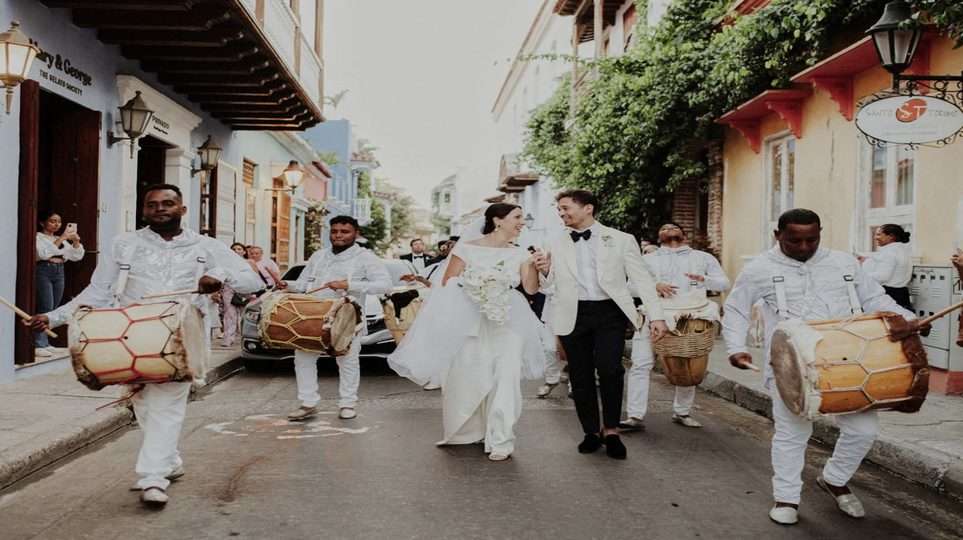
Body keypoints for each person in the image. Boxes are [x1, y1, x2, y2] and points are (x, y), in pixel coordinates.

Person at [28, 184, 261, 508]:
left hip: (182, 337)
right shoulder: (124, 244)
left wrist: (218, 275)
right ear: (144, 210)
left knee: (167, 404)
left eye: (168, 203)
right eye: (153, 205)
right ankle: (170, 460)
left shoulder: (205, 246)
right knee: (146, 406)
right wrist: (53, 317)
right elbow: (98, 292)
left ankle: (152, 477)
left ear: (182, 209)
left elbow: (253, 282)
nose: (160, 209)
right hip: (131, 339)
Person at [723, 208, 921, 526]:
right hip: (790, 366)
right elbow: (735, 310)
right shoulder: (759, 268)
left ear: (820, 234)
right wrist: (736, 348)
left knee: (863, 430)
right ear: (778, 235)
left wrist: (908, 319)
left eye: (811, 240)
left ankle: (834, 479)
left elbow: (874, 298)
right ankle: (786, 498)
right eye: (794, 241)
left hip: (850, 363)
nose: (803, 247)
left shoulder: (843, 262)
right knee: (792, 433)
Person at [389, 203, 545, 461]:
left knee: (507, 376)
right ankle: (472, 429)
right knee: (472, 374)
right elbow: (447, 284)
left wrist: (535, 267)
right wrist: (476, 289)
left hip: (509, 319)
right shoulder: (467, 248)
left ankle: (502, 438)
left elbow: (529, 290)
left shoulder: (521, 254)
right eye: (517, 217)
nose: (522, 222)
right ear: (498, 220)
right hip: (471, 320)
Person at [535, 189, 668, 460]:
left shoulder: (620, 239)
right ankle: (590, 432)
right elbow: (549, 287)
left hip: (610, 312)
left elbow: (642, 279)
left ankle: (611, 430)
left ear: (588, 208)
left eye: (565, 208)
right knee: (580, 376)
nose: (561, 214)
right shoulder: (555, 241)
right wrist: (545, 270)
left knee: (610, 370)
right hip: (573, 313)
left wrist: (657, 316)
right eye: (558, 210)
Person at [280, 215, 391, 422]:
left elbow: (385, 285)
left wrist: (349, 285)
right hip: (313, 316)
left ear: (356, 234)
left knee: (347, 362)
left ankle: (348, 404)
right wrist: (288, 286)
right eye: (334, 231)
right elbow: (305, 285)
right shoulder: (318, 256)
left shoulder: (365, 258)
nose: (338, 235)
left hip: (347, 318)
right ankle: (308, 403)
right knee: (303, 360)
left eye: (344, 231)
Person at [622, 222, 730, 431]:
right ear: (659, 236)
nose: (669, 228)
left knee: (687, 361)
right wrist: (654, 286)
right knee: (641, 363)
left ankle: (682, 412)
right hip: (653, 314)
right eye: (664, 227)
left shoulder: (703, 258)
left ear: (684, 234)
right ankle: (635, 416)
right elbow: (629, 287)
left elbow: (724, 283)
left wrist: (704, 279)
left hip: (688, 316)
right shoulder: (647, 259)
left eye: (673, 226)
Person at [34, 211, 85, 357]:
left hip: (59, 271)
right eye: (52, 221)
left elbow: (76, 256)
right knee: (45, 306)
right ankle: (39, 343)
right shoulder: (39, 237)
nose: (56, 224)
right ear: (43, 223)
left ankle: (46, 343)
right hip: (44, 270)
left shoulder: (60, 239)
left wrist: (76, 241)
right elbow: (43, 254)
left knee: (54, 308)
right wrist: (63, 237)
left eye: (59, 222)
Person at [858, 224, 913, 311]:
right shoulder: (901, 250)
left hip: (890, 295)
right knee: (902, 322)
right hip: (901, 294)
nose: (875, 237)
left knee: (886, 324)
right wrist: (868, 260)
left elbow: (882, 276)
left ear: (891, 236)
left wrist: (860, 276)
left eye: (879, 234)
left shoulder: (889, 253)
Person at [219, 242, 253, 347]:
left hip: (244, 289)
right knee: (229, 314)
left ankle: (246, 338)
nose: (236, 251)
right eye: (234, 249)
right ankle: (228, 338)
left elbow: (254, 277)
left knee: (244, 315)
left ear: (243, 252)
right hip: (229, 289)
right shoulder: (226, 263)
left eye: (239, 249)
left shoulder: (249, 262)